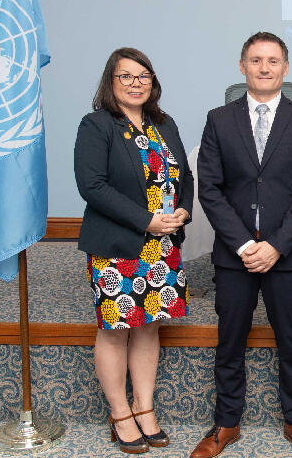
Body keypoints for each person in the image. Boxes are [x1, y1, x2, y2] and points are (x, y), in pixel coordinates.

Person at [191, 32, 292, 458]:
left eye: (272, 60)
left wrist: (276, 246)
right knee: (230, 341)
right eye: (255, 60)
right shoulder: (219, 119)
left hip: (285, 255)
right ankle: (226, 424)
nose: (264, 68)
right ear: (242, 66)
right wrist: (244, 244)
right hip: (235, 257)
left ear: (286, 68)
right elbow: (209, 189)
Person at [74, 47, 194, 454]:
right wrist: (146, 221)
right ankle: (120, 412)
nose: (136, 83)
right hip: (119, 247)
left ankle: (145, 408)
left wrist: (182, 211)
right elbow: (92, 187)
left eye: (143, 76)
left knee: (148, 326)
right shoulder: (97, 125)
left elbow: (184, 176)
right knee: (116, 330)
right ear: (111, 82)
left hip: (162, 246)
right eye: (126, 76)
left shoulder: (164, 123)